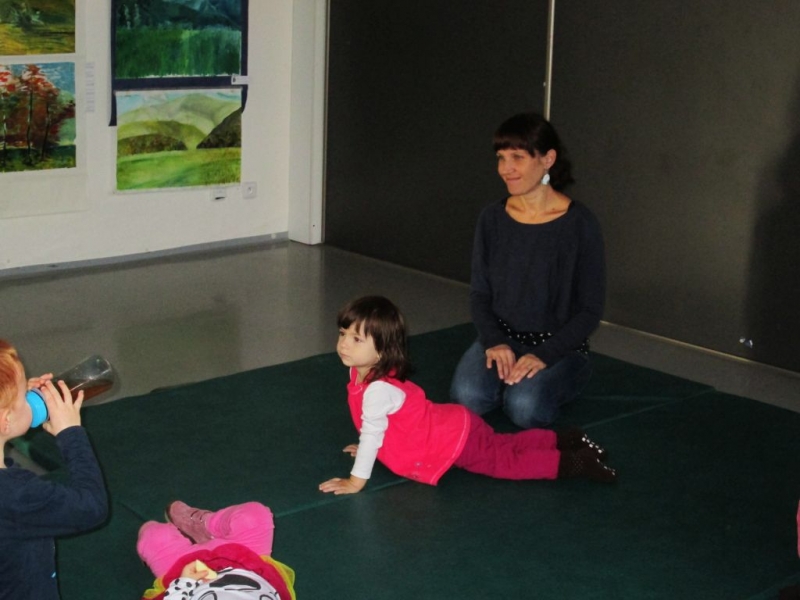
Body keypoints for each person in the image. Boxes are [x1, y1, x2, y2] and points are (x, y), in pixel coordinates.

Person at [318, 296, 616, 496]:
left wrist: (355, 481)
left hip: (453, 440)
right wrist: (371, 446)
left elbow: (373, 431)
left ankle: (575, 463)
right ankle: (567, 439)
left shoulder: (377, 389)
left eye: (356, 339)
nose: (344, 344)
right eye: (343, 334)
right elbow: (382, 428)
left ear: (382, 351)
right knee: (504, 444)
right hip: (454, 424)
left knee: (504, 461)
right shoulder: (362, 370)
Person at [449, 111, 606, 430]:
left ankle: (558, 379)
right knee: (467, 397)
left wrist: (544, 355)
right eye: (501, 157)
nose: (505, 168)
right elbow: (480, 294)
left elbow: (590, 310)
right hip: (501, 338)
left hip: (559, 346)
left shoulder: (580, 224)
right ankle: (509, 380)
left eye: (517, 157)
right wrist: (494, 341)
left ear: (547, 159)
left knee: (524, 407)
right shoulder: (492, 218)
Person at [0, 339, 108, 600]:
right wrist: (71, 434)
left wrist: (16, 400)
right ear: (5, 420)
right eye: (23, 397)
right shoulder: (17, 495)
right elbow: (91, 507)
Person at [137, 501, 296, 600]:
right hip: (248, 561)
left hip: (183, 570)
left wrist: (184, 583)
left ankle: (205, 532)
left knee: (153, 535)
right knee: (254, 515)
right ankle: (206, 526)